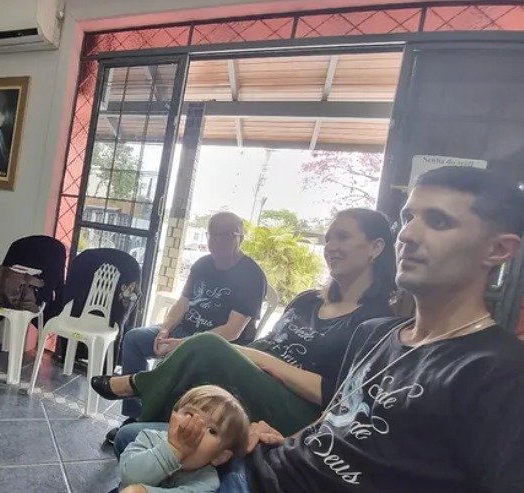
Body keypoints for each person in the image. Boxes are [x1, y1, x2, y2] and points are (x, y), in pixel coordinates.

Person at [118, 166, 524, 492]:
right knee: (131, 438)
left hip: (267, 481)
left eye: (438, 221)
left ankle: (135, 387)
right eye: (408, 218)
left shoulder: (501, 371)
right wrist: (282, 436)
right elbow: (333, 417)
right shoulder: (379, 334)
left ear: (498, 249)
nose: (408, 234)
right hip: (265, 459)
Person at [109, 212, 266, 438]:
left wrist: (182, 344)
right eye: (213, 234)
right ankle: (136, 415)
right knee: (134, 338)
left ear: (240, 237)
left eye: (226, 235)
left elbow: (233, 330)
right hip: (184, 332)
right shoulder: (202, 264)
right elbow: (182, 303)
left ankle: (156, 419)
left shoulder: (251, 274)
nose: (218, 241)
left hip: (218, 346)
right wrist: (165, 330)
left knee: (179, 357)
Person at [119, 385, 249, 493]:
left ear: (220, 456)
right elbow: (129, 477)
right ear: (172, 417)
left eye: (211, 430)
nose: (195, 427)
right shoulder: (149, 438)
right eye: (190, 414)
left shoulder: (207, 482)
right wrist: (172, 450)